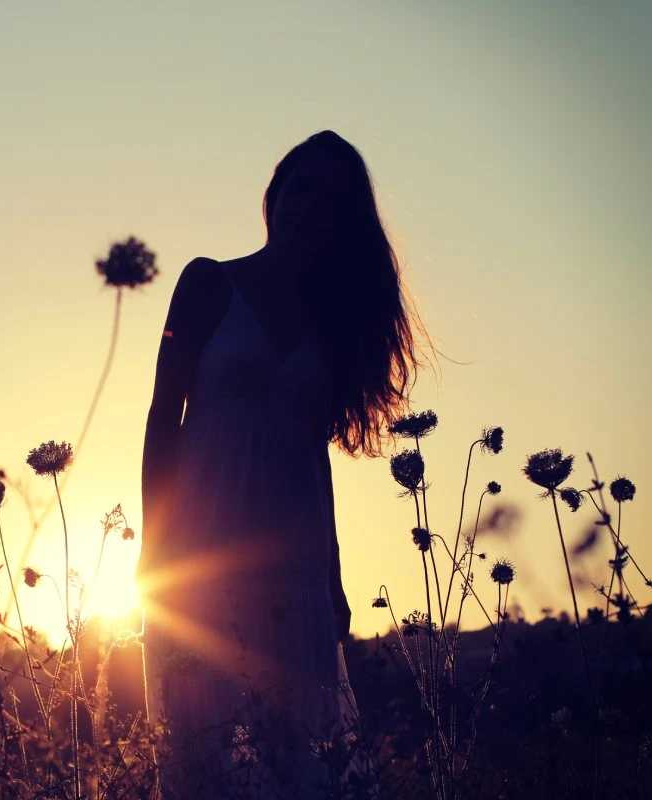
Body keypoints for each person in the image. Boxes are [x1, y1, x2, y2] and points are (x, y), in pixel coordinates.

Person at [137, 130, 428, 798]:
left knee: (300, 772)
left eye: (331, 201)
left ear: (343, 225)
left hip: (294, 584)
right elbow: (162, 419)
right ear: (275, 193)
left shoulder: (332, 327)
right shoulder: (208, 282)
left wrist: (332, 579)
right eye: (302, 186)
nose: (309, 207)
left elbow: (312, 463)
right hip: (200, 565)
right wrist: (155, 550)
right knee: (205, 768)